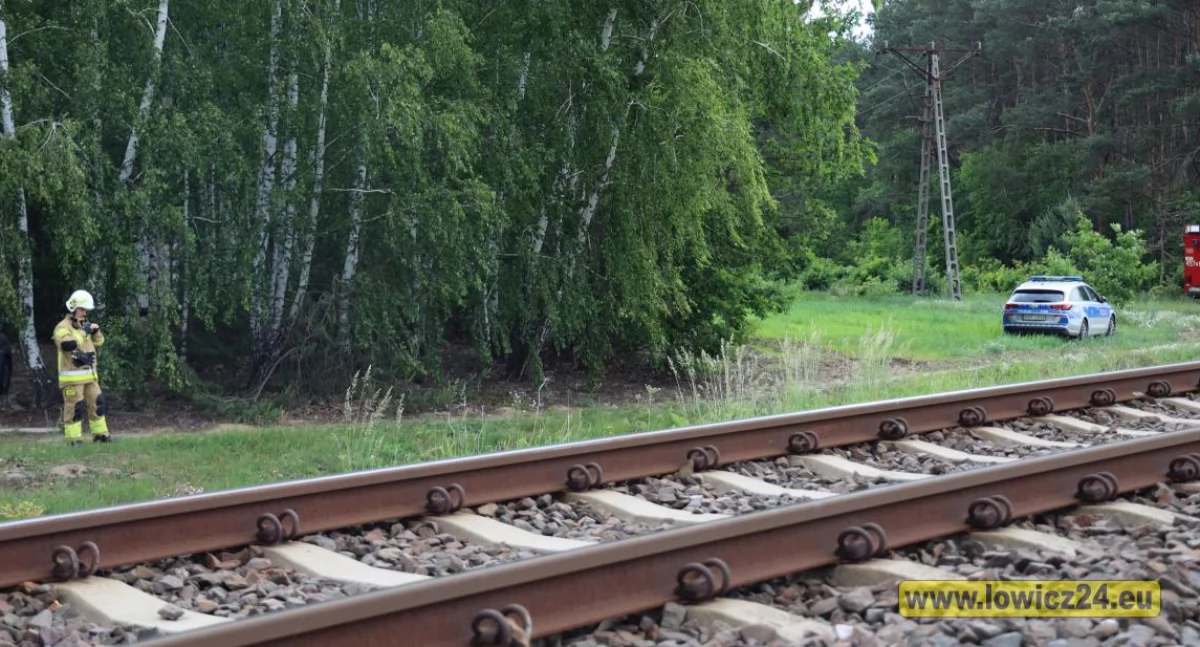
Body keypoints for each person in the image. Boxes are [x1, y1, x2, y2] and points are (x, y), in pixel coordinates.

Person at [53, 290, 110, 444]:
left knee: (98, 403)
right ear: (73, 308)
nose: (85, 313)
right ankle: (73, 440)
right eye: (82, 309)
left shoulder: (84, 326)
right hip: (72, 378)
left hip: (89, 377)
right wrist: (83, 334)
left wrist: (95, 332)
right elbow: (67, 345)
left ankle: (101, 436)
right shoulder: (62, 327)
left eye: (86, 310)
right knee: (75, 408)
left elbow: (99, 343)